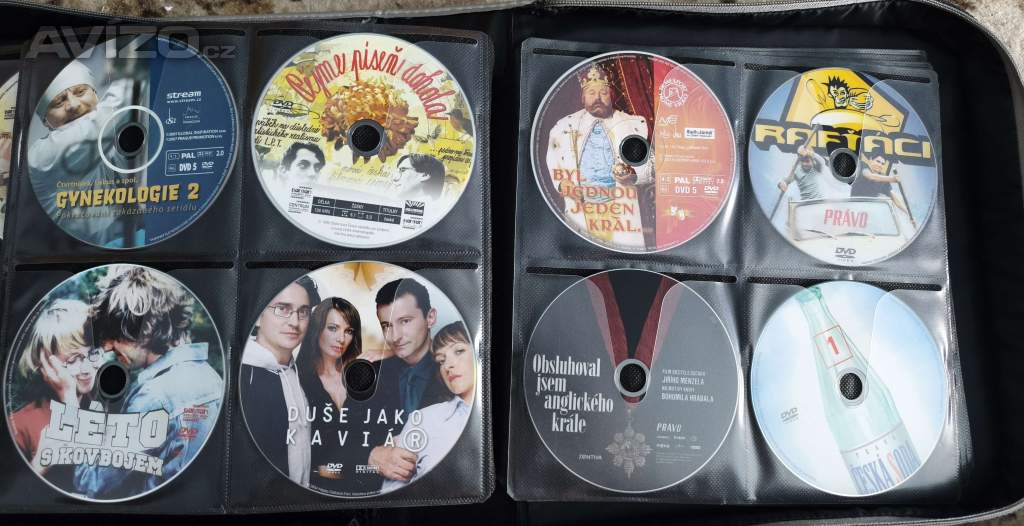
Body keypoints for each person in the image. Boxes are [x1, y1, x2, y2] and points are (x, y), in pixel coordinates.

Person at [73, 266, 223, 499]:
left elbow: (91, 483)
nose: (108, 346)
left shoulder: (153, 397)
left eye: (114, 333)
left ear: (145, 329)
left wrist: (72, 408)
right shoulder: (211, 377)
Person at [27, 59, 137, 247]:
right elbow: (122, 101)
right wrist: (136, 60)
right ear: (45, 121)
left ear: (96, 94)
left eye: (80, 92)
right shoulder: (41, 157)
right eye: (58, 102)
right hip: (76, 257)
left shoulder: (116, 134)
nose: (73, 105)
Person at [544, 63, 653, 249]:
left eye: (603, 92)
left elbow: (651, 166)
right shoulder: (563, 127)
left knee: (621, 258)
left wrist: (633, 175)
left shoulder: (633, 125)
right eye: (591, 92)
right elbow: (553, 160)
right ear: (582, 97)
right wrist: (563, 184)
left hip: (621, 209)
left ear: (612, 95)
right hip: (581, 208)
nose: (598, 98)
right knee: (583, 255)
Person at [365, 278, 450, 483]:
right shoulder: (372, 373)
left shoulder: (456, 372)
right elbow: (344, 437)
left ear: (430, 317)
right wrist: (371, 456)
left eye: (405, 321)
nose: (395, 336)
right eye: (387, 325)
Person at [240, 275, 320, 487]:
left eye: (303, 312)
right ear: (258, 317)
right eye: (282, 308)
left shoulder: (298, 374)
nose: (294, 322)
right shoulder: (241, 375)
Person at [9, 299, 105, 474]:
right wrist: (39, 464)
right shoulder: (20, 424)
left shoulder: (105, 407)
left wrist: (69, 397)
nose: (87, 369)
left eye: (93, 352)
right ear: (46, 365)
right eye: (73, 360)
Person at [296, 296, 380, 494]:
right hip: (314, 491)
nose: (341, 339)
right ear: (317, 329)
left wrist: (387, 353)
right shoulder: (296, 379)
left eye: (348, 331)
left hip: (369, 488)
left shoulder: (362, 375)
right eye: (333, 328)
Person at [380, 323, 474, 492]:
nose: (448, 365)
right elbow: (391, 490)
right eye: (441, 360)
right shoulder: (424, 419)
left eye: (459, 351)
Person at [853, 153, 911, 219]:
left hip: (869, 214)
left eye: (882, 164)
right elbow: (870, 176)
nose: (880, 165)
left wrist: (908, 214)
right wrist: (892, 179)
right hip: (854, 210)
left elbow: (895, 198)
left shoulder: (883, 179)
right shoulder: (862, 165)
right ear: (871, 160)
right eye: (878, 161)